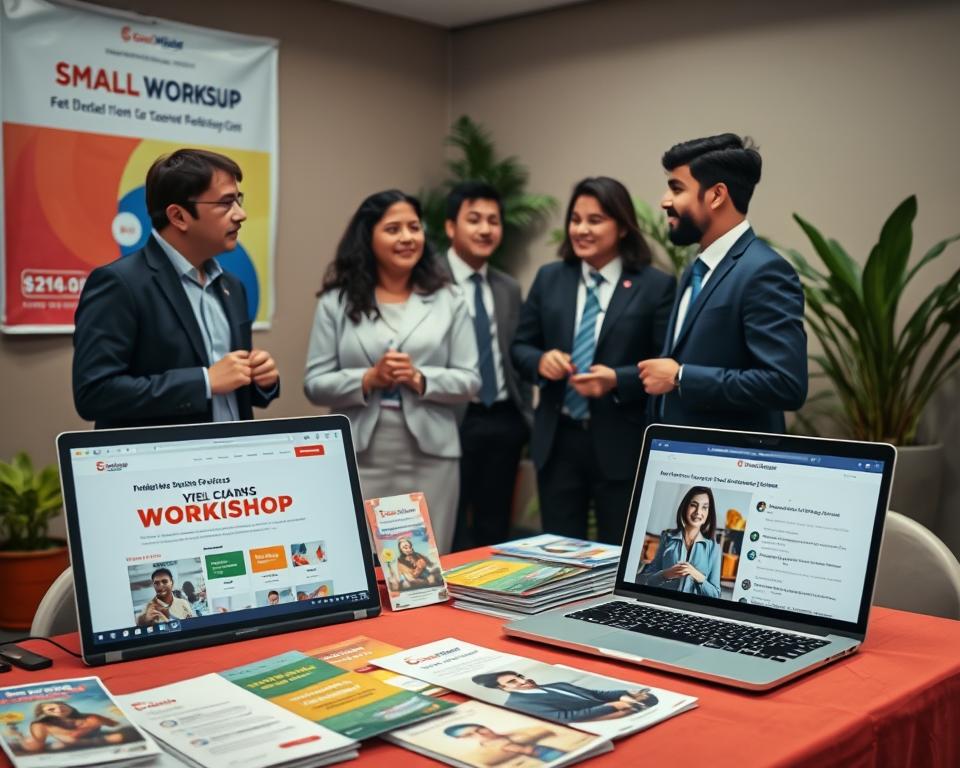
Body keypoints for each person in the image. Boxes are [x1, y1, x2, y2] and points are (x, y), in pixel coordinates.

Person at [304, 190, 480, 553]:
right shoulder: (336, 301)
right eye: (393, 229)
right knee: (362, 560)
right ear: (368, 237)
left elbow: (470, 379)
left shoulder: (450, 299)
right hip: (360, 452)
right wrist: (368, 379)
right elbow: (315, 384)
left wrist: (420, 378)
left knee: (426, 563)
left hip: (431, 453)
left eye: (414, 228)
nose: (407, 238)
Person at [512, 177, 676, 543]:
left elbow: (667, 362)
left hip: (620, 441)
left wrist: (617, 379)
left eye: (595, 220)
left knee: (616, 551)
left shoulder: (655, 286)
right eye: (575, 219)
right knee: (556, 554)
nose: (581, 229)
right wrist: (541, 361)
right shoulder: (551, 277)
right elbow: (520, 347)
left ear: (621, 226)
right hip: (558, 440)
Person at [72, 148, 279, 428]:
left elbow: (229, 386)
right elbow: (94, 393)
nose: (240, 214)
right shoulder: (120, 284)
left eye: (238, 200)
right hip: (163, 467)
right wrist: (204, 382)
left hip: (234, 460)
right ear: (179, 216)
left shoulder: (232, 286)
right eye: (226, 203)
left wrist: (260, 379)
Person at [637, 134, 807, 431]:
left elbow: (785, 384)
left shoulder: (765, 271)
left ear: (716, 195)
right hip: (678, 457)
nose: (665, 201)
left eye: (676, 188)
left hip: (731, 469)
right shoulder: (695, 269)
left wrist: (682, 377)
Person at [443, 182, 532, 550]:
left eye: (493, 221)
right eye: (474, 219)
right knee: (450, 521)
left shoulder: (507, 286)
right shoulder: (427, 280)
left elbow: (516, 351)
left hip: (504, 418)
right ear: (451, 227)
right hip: (453, 418)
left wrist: (524, 413)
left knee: (496, 528)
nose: (485, 229)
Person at [471, 671, 657, 723]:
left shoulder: (556, 685)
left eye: (519, 676)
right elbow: (566, 718)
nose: (521, 681)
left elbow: (595, 694)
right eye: (512, 682)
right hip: (608, 720)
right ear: (503, 689)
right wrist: (615, 705)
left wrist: (628, 693)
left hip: (628, 707)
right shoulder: (517, 703)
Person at [637, 485, 721, 598]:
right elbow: (647, 580)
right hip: (663, 602)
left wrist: (696, 575)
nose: (698, 512)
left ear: (709, 512)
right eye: (693, 505)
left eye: (704, 507)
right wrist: (666, 574)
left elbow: (715, 594)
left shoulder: (714, 548)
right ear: (685, 506)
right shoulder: (667, 537)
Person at [8, 701, 132, 752]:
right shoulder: (42, 725)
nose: (58, 710)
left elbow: (73, 737)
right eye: (51, 709)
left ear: (70, 707)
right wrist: (20, 736)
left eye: (61, 706)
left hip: (106, 740)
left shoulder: (90, 717)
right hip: (86, 745)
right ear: (43, 714)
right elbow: (37, 745)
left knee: (118, 735)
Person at [443, 722, 567, 765]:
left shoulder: (525, 731)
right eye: (469, 735)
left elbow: (546, 730)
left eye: (479, 729)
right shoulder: (483, 754)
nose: (479, 735)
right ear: (463, 740)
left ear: (485, 726)